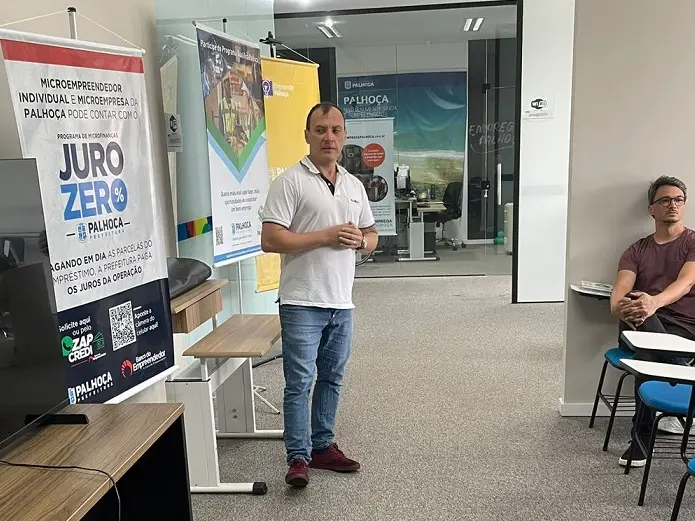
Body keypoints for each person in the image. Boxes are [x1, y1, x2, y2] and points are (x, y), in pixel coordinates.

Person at [261, 102, 378, 488]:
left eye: (336, 130)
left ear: (344, 137)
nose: (329, 136)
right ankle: (297, 457)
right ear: (307, 134)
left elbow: (372, 234)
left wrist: (362, 241)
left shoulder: (354, 184)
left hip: (341, 302)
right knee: (300, 381)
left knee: (332, 378)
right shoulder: (290, 182)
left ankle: (323, 445)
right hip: (301, 300)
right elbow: (271, 238)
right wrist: (325, 236)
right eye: (320, 129)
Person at [610, 176, 695, 467]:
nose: (672, 205)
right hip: (638, 324)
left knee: (648, 356)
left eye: (678, 200)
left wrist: (653, 302)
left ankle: (640, 441)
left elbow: (685, 284)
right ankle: (680, 367)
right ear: (652, 209)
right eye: (665, 200)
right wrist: (632, 306)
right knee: (636, 308)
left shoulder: (693, 242)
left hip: (685, 329)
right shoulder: (636, 250)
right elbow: (617, 298)